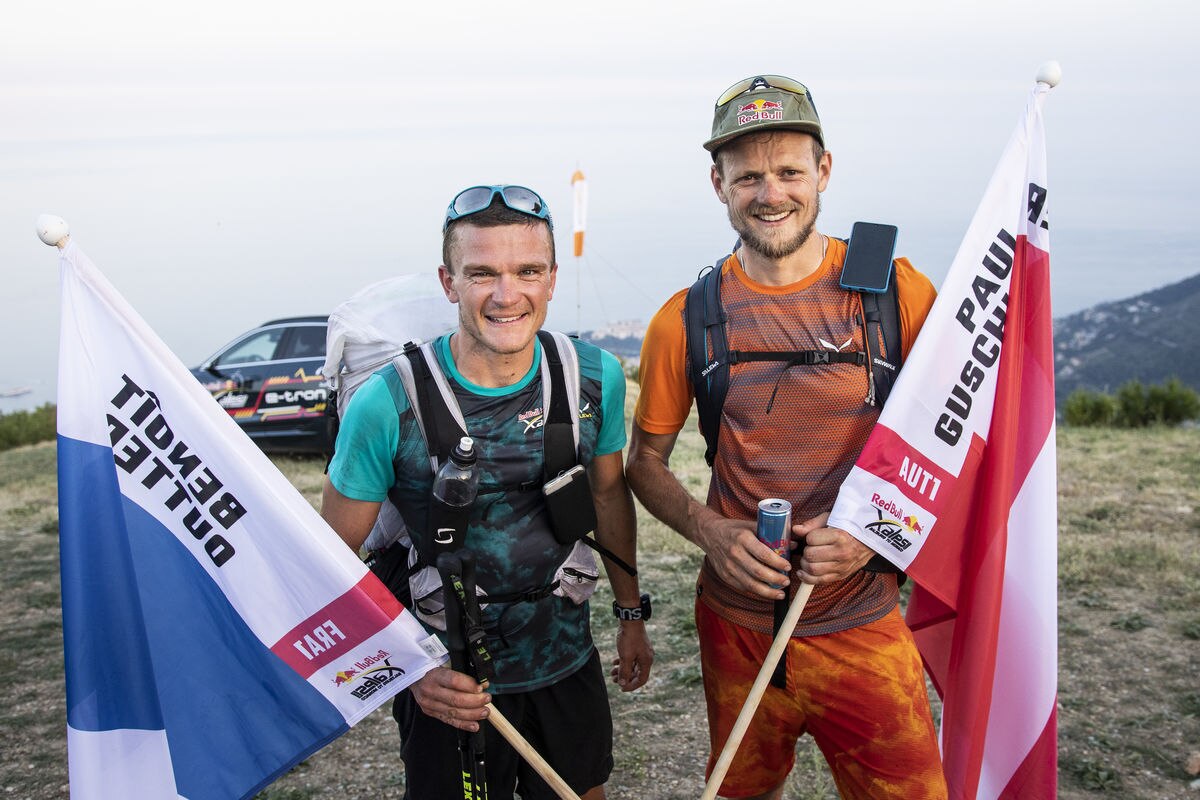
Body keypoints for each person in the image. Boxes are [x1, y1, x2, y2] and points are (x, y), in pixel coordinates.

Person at [625, 76, 948, 799]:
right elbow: (643, 464)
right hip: (738, 630)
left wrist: (876, 535)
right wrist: (711, 533)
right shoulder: (687, 317)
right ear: (719, 185)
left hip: (862, 620)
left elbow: (956, 447)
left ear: (823, 171)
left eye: (789, 172)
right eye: (748, 177)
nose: (771, 194)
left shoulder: (898, 294)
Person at [321, 184, 654, 800]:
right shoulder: (388, 405)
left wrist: (630, 615)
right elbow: (331, 563)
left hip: (564, 657)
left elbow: (608, 497)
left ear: (553, 279)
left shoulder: (593, 378)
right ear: (448, 283)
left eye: (527, 271)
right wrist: (410, 672)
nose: (507, 295)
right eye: (482, 273)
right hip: (450, 684)